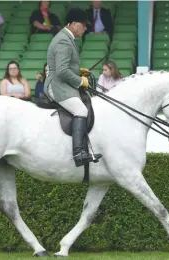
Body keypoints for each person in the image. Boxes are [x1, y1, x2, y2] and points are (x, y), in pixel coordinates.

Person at [43, 7, 102, 167]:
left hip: (61, 82)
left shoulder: (66, 38)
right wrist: (80, 81)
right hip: (57, 85)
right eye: (83, 25)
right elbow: (61, 71)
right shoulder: (63, 40)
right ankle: (78, 153)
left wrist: (78, 71)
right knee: (81, 110)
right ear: (74, 24)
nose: (85, 28)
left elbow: (64, 66)